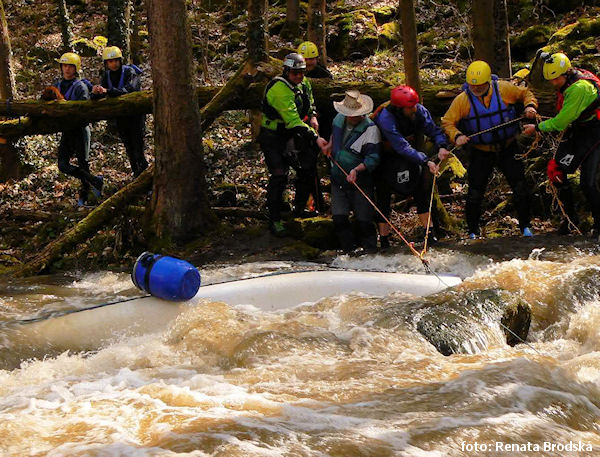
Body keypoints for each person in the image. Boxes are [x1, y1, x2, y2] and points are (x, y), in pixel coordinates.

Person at [441, 60, 538, 239]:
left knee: (520, 187)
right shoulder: (462, 100)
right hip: (481, 151)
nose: (475, 89)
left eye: (479, 85)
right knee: (475, 193)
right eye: (472, 85)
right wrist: (456, 136)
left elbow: (526, 94)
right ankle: (472, 231)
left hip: (508, 147)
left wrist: (530, 106)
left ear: (487, 81)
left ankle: (525, 226)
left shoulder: (503, 89)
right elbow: (447, 121)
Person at [523, 52, 600, 239]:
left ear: (566, 73)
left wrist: (537, 128)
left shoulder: (579, 88)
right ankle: (571, 219)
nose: (553, 84)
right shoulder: (570, 78)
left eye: (556, 79)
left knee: (588, 183)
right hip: (581, 131)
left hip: (595, 133)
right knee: (555, 170)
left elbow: (561, 122)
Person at [372, 85, 450, 249]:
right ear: (399, 108)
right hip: (387, 157)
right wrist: (425, 160)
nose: (413, 109)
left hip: (412, 155)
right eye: (410, 107)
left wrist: (442, 146)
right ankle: (384, 240)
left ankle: (429, 234)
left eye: (414, 105)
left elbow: (434, 130)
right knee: (383, 197)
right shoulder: (386, 118)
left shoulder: (418, 110)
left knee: (422, 192)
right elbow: (400, 146)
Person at [258, 53, 325, 236]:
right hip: (273, 136)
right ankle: (275, 219)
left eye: (301, 73)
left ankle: (299, 209)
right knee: (279, 175)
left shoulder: (304, 84)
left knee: (307, 168)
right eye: (295, 73)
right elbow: (292, 120)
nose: (299, 77)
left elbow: (310, 102)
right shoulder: (279, 89)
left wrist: (312, 116)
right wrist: (315, 137)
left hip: (292, 134)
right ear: (287, 71)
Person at [320, 90, 381, 253]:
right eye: (349, 114)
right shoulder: (339, 119)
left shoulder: (370, 129)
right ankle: (348, 251)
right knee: (339, 218)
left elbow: (373, 158)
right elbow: (335, 135)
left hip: (361, 181)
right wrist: (330, 146)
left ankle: (371, 251)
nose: (351, 117)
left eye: (355, 115)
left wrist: (356, 170)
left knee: (364, 220)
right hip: (338, 179)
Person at [50, 52, 103, 207]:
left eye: (70, 66)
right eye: (64, 66)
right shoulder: (57, 85)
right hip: (67, 130)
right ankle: (95, 180)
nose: (67, 69)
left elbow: (84, 110)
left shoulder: (80, 86)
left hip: (80, 130)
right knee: (62, 164)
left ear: (76, 68)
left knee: (83, 164)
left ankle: (85, 196)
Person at [91, 46, 148, 177]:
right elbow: (102, 93)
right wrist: (96, 93)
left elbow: (130, 90)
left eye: (116, 60)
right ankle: (136, 174)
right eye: (110, 62)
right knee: (128, 147)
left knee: (138, 146)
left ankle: (144, 173)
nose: (113, 64)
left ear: (120, 60)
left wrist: (109, 91)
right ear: (106, 63)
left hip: (135, 115)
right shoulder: (107, 76)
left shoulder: (130, 72)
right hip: (121, 117)